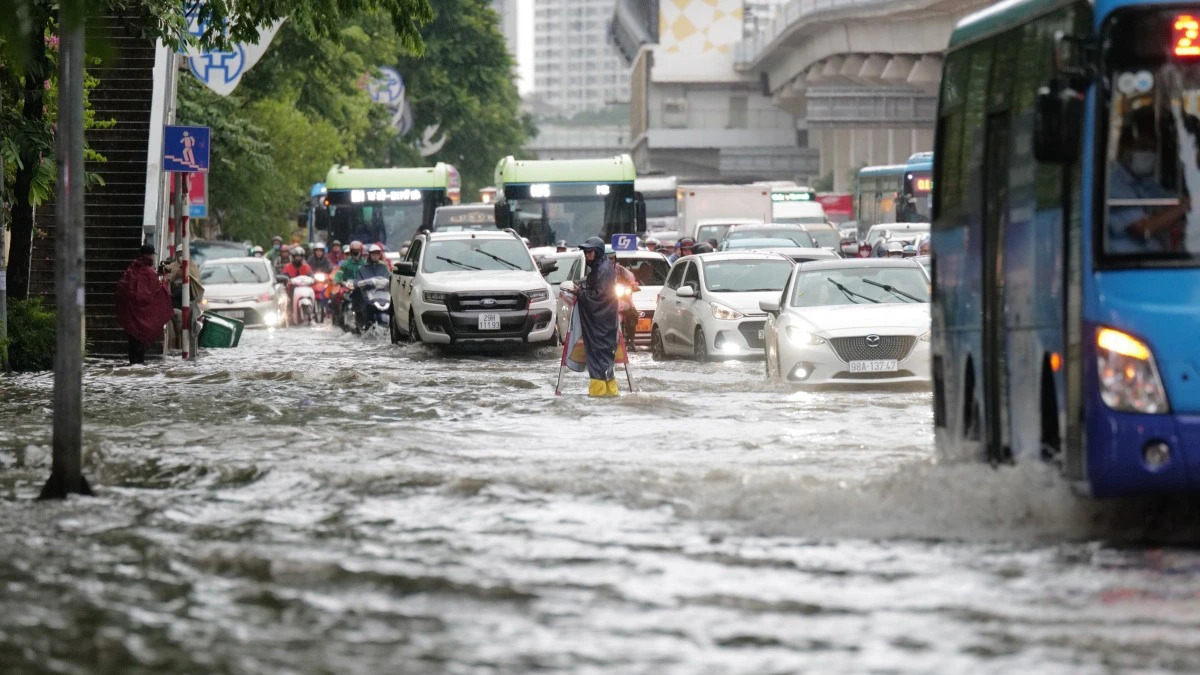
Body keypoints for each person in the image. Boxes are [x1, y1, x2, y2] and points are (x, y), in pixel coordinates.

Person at [1108, 106, 1187, 253]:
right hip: (1126, 266)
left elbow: (1169, 201)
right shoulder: (1113, 183)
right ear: (1124, 146)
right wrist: (1186, 205)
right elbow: (1143, 228)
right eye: (1143, 147)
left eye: (1153, 150)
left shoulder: (1143, 182)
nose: (1148, 155)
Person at [576, 237, 620, 397]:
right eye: (585, 252)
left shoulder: (603, 270)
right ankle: (610, 396)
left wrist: (579, 293)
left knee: (598, 361)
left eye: (589, 252)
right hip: (604, 326)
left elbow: (599, 298)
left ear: (598, 252)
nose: (587, 255)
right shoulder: (602, 268)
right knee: (605, 363)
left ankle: (597, 398)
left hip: (601, 327)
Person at [115, 244, 173, 364]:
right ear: (150, 256)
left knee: (132, 343)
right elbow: (155, 292)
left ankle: (133, 368)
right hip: (143, 318)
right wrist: (164, 280)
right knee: (140, 346)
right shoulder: (149, 272)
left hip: (131, 315)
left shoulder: (131, 269)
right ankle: (139, 371)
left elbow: (122, 288)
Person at [608, 250, 640, 350]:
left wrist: (632, 285)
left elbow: (629, 277)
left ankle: (631, 341)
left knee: (633, 313)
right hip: (606, 300)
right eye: (608, 259)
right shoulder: (600, 270)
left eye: (612, 258)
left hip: (621, 298)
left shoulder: (620, 269)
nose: (611, 261)